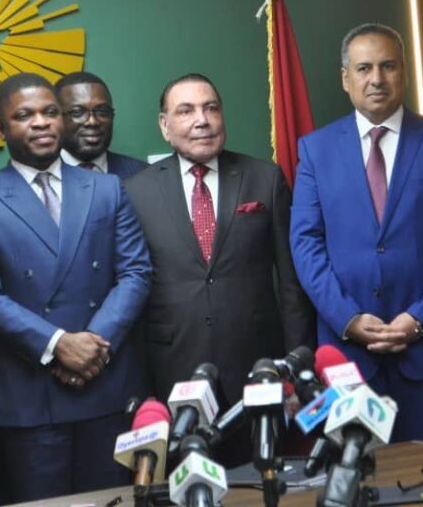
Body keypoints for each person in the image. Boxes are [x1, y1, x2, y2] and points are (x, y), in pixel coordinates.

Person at [0, 73, 152, 502]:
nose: (41, 122)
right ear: (1, 130)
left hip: (106, 386)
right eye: (24, 115)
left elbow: (135, 272)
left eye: (50, 112)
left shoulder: (107, 188)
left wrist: (94, 347)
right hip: (31, 398)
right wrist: (59, 344)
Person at [290, 23, 423, 444]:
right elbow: (305, 245)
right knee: (357, 475)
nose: (376, 78)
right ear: (346, 79)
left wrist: (421, 318)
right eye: (364, 68)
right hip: (348, 359)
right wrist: (347, 319)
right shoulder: (315, 150)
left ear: (404, 72)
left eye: (388, 66)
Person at [124, 73, 315, 462]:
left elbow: (292, 286)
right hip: (174, 373)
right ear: (164, 125)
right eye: (186, 111)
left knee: (262, 478)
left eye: (211, 108)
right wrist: (142, 391)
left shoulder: (264, 178)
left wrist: (294, 372)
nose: (202, 120)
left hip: (258, 370)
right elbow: (132, 291)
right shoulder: (135, 192)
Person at [55, 71, 147, 179]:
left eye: (102, 111)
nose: (92, 121)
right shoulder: (40, 178)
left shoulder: (144, 175)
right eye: (78, 112)